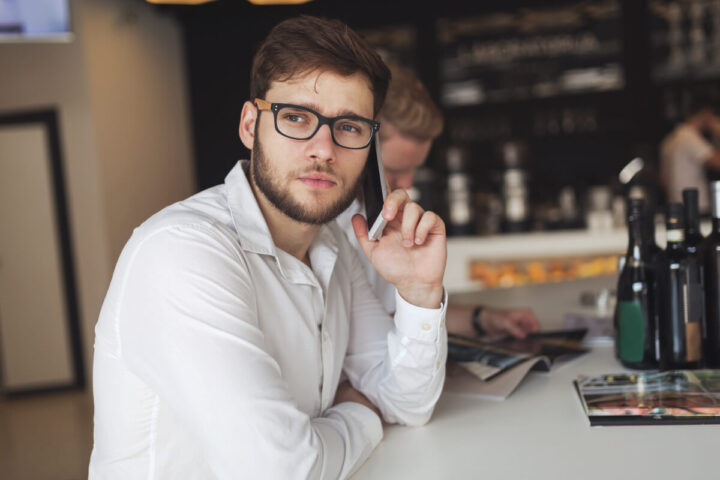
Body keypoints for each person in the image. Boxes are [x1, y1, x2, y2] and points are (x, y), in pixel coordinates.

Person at [89, 16, 448, 479]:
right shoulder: (180, 252)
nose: (323, 148)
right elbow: (280, 470)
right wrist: (361, 414)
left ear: (369, 146)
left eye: (350, 127)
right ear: (249, 125)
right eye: (296, 118)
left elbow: (407, 403)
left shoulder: (333, 244)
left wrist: (419, 294)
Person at [336, 63, 539, 339]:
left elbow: (398, 315)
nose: (407, 184)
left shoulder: (379, 215)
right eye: (394, 170)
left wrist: (484, 318)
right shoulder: (324, 223)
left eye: (415, 168)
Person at [660, 100, 720, 212]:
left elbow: (663, 178)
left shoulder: (670, 138)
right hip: (695, 206)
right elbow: (717, 163)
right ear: (705, 114)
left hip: (675, 205)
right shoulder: (689, 137)